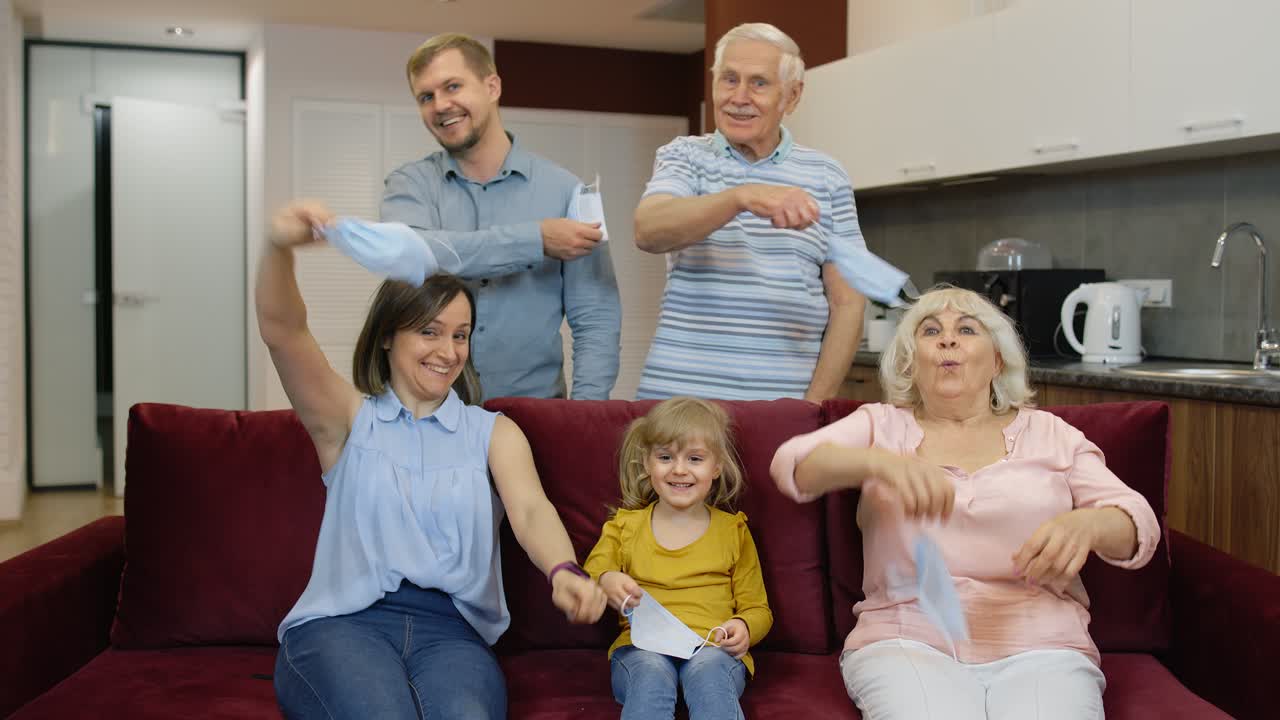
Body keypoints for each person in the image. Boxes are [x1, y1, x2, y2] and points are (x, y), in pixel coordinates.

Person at [260, 201, 607, 719]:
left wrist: (563, 570)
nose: (448, 351)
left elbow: (531, 511)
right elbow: (284, 331)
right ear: (386, 336)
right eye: (429, 331)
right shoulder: (347, 419)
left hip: (452, 635)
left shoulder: (494, 433)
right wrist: (277, 248)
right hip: (343, 625)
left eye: (460, 334)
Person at [769, 286, 1160, 719]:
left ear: (997, 360)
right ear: (910, 363)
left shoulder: (1050, 434)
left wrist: (1089, 526)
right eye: (930, 330)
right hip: (906, 642)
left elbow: (1137, 525)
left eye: (967, 329)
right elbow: (793, 464)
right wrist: (876, 463)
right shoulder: (882, 426)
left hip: (1043, 644)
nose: (947, 340)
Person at [633, 22, 900, 402]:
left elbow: (848, 302)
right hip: (679, 404)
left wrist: (812, 407)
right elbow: (649, 229)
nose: (739, 97)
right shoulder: (684, 155)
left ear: (791, 97)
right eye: (729, 79)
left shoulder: (826, 175)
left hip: (783, 405)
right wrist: (741, 197)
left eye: (758, 83)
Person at [380, 32, 620, 401]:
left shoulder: (568, 191)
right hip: (426, 415)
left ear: (492, 86)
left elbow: (596, 319)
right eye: (426, 97)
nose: (440, 105)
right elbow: (412, 254)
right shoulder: (409, 185)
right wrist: (535, 240)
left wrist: (584, 414)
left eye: (452, 86)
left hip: (536, 417)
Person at [584, 397, 772, 720]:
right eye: (666, 457)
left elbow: (758, 609)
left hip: (712, 649)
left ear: (716, 468)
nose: (679, 469)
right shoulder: (625, 526)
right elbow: (592, 572)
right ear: (647, 463)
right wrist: (606, 579)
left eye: (695, 458)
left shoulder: (733, 531)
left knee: (710, 675)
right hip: (642, 647)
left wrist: (744, 626)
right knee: (649, 675)